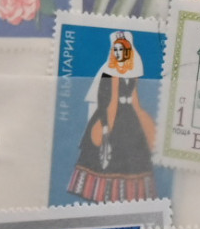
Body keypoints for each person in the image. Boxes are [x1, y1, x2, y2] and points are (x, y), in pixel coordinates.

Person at [67, 31, 157, 202]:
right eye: (115, 50)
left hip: (129, 119)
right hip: (108, 117)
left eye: (121, 50)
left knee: (133, 157)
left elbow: (135, 101)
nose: (118, 53)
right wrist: (106, 127)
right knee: (106, 159)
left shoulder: (133, 73)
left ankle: (127, 197)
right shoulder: (109, 73)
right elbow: (107, 103)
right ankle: (103, 195)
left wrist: (146, 125)